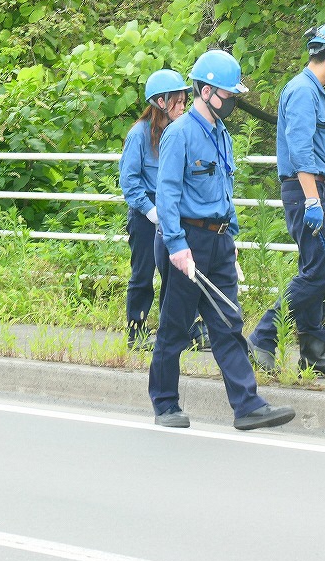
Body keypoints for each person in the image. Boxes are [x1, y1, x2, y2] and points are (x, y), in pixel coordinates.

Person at [150, 49, 295, 431]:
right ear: (206, 91)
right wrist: (177, 247)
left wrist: (232, 239)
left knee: (228, 323)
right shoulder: (180, 134)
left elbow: (224, 192)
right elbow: (167, 194)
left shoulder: (221, 134)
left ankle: (247, 406)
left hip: (218, 242)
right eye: (228, 94)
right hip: (187, 240)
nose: (232, 101)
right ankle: (165, 405)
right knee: (175, 328)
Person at [248, 23, 325, 377]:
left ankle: (313, 354)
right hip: (305, 192)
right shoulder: (301, 90)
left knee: (319, 273)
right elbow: (300, 150)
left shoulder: (317, 94)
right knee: (318, 273)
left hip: (319, 191)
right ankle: (262, 338)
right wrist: (313, 200)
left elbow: (323, 157)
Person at [118, 69, 210, 352]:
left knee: (180, 273)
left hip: (174, 209)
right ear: (161, 102)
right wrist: (150, 211)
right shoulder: (139, 134)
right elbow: (129, 180)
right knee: (143, 273)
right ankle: (136, 330)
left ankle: (186, 329)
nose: (183, 107)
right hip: (146, 212)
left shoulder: (179, 132)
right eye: (177, 101)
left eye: (184, 101)